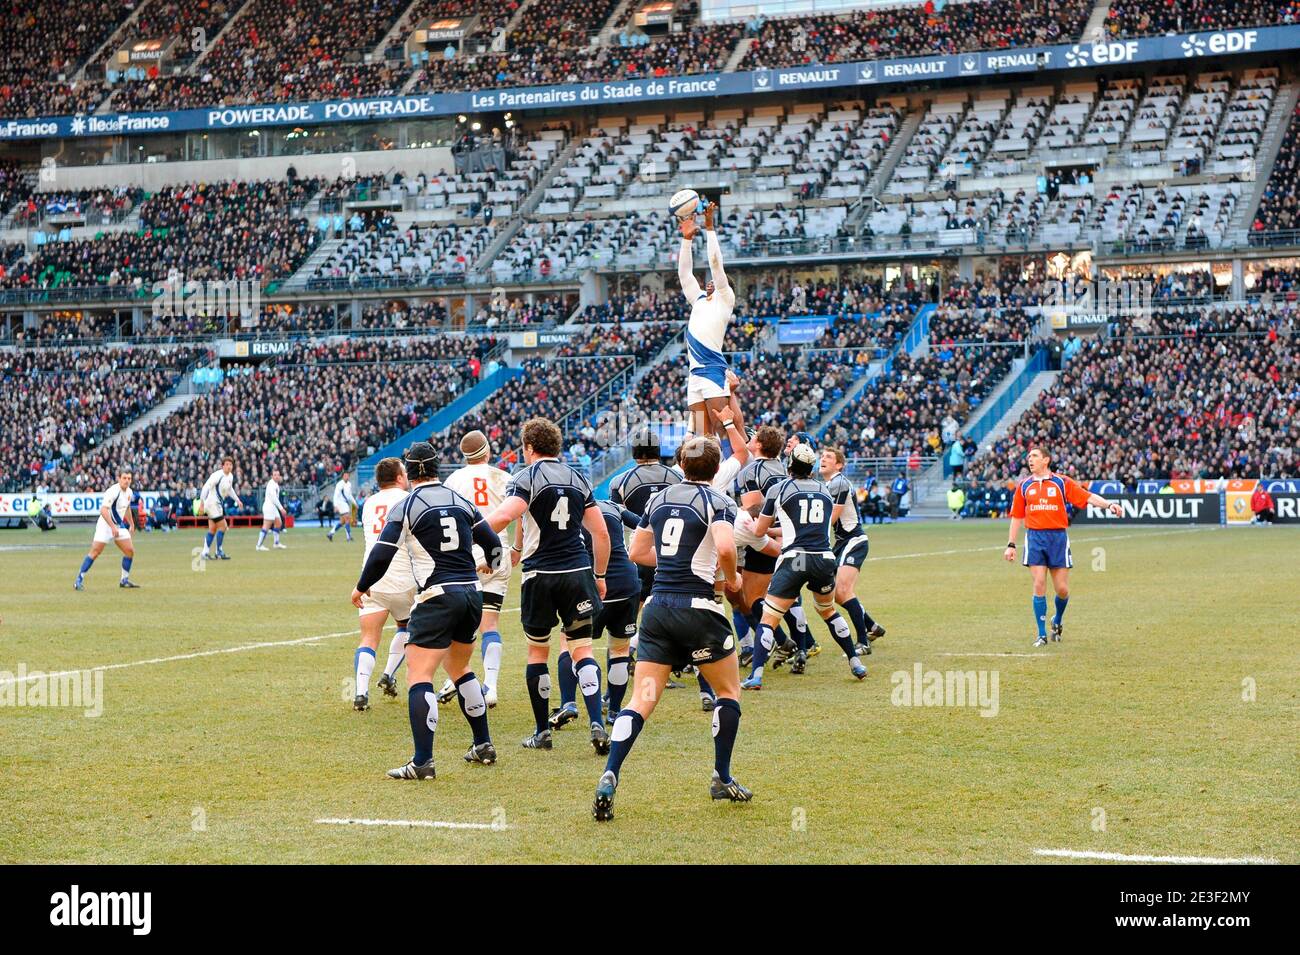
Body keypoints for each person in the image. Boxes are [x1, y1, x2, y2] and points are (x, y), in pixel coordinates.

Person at [593, 435, 750, 821]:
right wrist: (731, 579)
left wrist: (671, 561)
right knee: (728, 690)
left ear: (681, 463)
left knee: (641, 700)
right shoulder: (719, 502)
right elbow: (727, 549)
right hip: (698, 611)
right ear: (716, 469)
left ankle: (611, 771)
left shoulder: (658, 501)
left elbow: (636, 553)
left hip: (659, 611)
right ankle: (721, 776)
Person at [352, 441, 503, 778]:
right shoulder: (460, 501)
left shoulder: (408, 506)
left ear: (412, 470)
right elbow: (493, 544)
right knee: (460, 668)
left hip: (436, 596)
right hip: (471, 594)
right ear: (436, 467)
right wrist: (490, 566)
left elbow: (381, 554)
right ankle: (482, 743)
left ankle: (422, 762)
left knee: (419, 675)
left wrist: (361, 587)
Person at [484, 418, 611, 754]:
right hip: (578, 572)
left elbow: (506, 515)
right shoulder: (578, 477)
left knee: (538, 652)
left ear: (528, 447)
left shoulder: (525, 477)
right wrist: (599, 577)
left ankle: (542, 732)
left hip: (540, 574)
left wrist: (477, 533)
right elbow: (600, 533)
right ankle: (597, 723)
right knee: (582, 649)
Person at [744, 444, 865, 689]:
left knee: (769, 618)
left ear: (789, 465)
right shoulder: (824, 489)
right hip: (823, 558)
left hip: (795, 558)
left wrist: (758, 528)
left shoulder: (779, 488)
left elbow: (759, 531)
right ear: (811, 467)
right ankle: (855, 662)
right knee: (828, 611)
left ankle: (756, 675)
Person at [1003, 448, 1120, 646]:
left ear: (1046, 460)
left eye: (1035, 456)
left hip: (1058, 538)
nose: (1030, 459)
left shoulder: (1061, 482)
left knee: (1062, 589)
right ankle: (1041, 634)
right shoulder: (1024, 486)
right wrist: (1011, 544)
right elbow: (1017, 516)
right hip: (1035, 538)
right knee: (1039, 583)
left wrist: (1109, 505)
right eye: (1029, 457)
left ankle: (1057, 620)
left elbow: (1088, 496)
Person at [440, 430, 514, 707]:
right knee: (490, 623)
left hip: (464, 553)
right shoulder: (503, 477)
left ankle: (453, 678)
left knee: (457, 622)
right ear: (487, 451)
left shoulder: (453, 480)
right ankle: (491, 687)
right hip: (498, 549)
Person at [352, 457, 415, 712]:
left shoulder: (369, 503)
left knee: (368, 637)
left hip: (371, 579)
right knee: (406, 626)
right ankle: (389, 673)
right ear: (400, 477)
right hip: (405, 579)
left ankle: (360, 692)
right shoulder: (408, 499)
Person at [820, 446, 886, 658]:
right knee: (836, 594)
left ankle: (863, 642)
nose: (823, 459)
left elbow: (831, 518)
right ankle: (872, 626)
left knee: (841, 591)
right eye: (822, 456)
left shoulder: (839, 482)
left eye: (829, 457)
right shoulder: (829, 484)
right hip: (841, 542)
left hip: (854, 540)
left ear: (839, 465)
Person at [679, 201, 736, 441]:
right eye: (709, 281)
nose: (710, 281)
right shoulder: (699, 299)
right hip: (695, 373)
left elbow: (716, 264)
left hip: (713, 369)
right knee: (703, 437)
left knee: (724, 429)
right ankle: (706, 478)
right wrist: (687, 240)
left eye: (717, 281)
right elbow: (684, 274)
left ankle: (734, 472)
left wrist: (709, 227)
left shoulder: (725, 299)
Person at [75, 468, 139, 590]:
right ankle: (79, 579)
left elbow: (126, 508)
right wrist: (112, 526)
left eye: (129, 478)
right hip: (105, 525)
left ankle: (124, 580)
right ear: (119, 478)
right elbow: (103, 510)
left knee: (129, 551)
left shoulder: (129, 492)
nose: (127, 481)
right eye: (124, 478)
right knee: (95, 552)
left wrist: (131, 523)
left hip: (117, 526)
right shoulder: (113, 491)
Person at [200, 457, 242, 560]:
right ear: (222, 466)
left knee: (212, 530)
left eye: (230, 465)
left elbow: (230, 489)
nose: (229, 466)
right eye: (227, 464)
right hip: (212, 504)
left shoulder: (230, 476)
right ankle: (219, 551)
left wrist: (237, 500)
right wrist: (202, 503)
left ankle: (205, 552)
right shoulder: (217, 475)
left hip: (217, 505)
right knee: (223, 527)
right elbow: (206, 487)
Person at [256, 469, 288, 551]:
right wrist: (281, 508)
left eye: (278, 475)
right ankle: (259, 545)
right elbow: (273, 498)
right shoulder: (271, 484)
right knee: (266, 525)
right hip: (269, 507)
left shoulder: (275, 484)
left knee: (278, 523)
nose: (277, 476)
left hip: (273, 507)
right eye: (275, 475)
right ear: (272, 476)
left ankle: (276, 543)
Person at [327, 470, 357, 542]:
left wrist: (354, 503)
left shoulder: (349, 484)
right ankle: (348, 537)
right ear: (342, 476)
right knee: (347, 518)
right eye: (345, 476)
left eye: (347, 476)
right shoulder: (340, 484)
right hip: (340, 503)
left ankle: (330, 533)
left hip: (345, 503)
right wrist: (335, 506)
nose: (346, 477)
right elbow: (335, 495)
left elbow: (349, 495)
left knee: (343, 521)